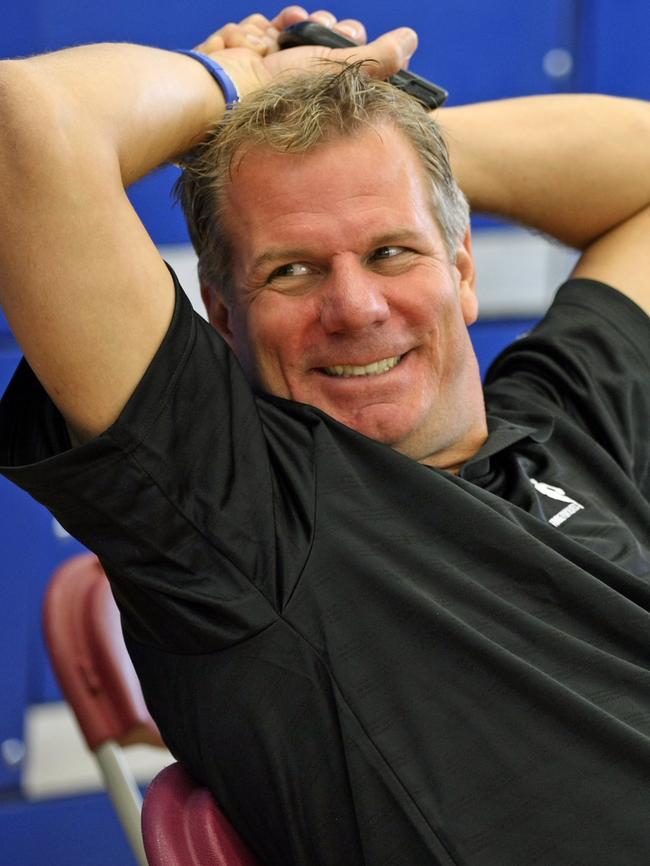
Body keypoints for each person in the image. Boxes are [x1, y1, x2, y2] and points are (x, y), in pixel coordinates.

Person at [1, 7, 649, 864]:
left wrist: (382, 126)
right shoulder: (240, 518)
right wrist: (242, 83)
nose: (357, 308)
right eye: (292, 270)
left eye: (391, 251)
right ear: (224, 318)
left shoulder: (562, 423)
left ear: (461, 271)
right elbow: (27, 123)